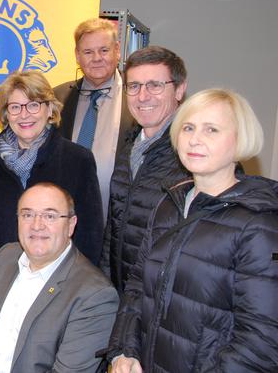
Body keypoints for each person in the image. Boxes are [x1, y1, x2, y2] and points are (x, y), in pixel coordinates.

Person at [108, 89, 278, 372]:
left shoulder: (260, 223)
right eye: (188, 127)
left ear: (240, 140)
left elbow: (261, 341)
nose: (195, 139)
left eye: (211, 129)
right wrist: (124, 350)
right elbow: (138, 286)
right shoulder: (168, 203)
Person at [0, 71, 103, 312]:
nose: (24, 115)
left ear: (49, 110)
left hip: (55, 287)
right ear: (5, 114)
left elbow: (90, 234)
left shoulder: (77, 160)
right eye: (15, 107)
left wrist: (83, 291)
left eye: (33, 105)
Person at [0, 183, 118, 373]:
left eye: (50, 216)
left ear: (70, 225)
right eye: (27, 214)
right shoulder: (5, 257)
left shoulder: (95, 295)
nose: (37, 225)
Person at [100, 46, 190, 293]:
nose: (142, 96)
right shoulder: (128, 148)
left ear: (179, 89)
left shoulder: (192, 157)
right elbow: (113, 230)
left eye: (154, 85)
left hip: (162, 299)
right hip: (122, 294)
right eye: (134, 86)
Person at [54, 18, 135, 219]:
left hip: (117, 219)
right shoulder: (57, 97)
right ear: (77, 56)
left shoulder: (137, 97)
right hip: (63, 219)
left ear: (117, 50)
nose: (96, 58)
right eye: (88, 52)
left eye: (104, 50)